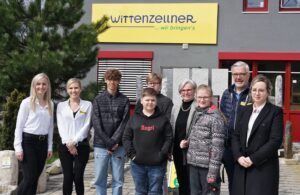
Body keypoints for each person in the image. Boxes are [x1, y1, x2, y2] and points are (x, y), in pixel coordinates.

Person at [231, 75, 283, 195]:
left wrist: (253, 159)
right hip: (242, 164)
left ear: (268, 92)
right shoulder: (244, 109)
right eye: (254, 90)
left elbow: (275, 141)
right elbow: (235, 135)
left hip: (262, 166)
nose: (257, 93)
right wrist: (238, 156)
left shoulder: (275, 112)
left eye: (261, 90)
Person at [123, 87, 173, 195]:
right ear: (142, 101)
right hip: (138, 164)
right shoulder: (134, 118)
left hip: (157, 165)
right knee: (140, 191)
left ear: (156, 101)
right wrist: (132, 155)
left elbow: (169, 138)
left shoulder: (163, 119)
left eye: (153, 100)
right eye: (147, 100)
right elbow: (126, 137)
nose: (150, 102)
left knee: (155, 192)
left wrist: (162, 154)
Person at [181, 84, 225, 195]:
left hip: (207, 167)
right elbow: (196, 134)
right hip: (194, 163)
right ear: (195, 97)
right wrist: (187, 142)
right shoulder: (197, 113)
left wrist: (213, 173)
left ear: (210, 98)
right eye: (199, 97)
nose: (202, 100)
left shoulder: (216, 118)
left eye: (205, 97)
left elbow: (217, 148)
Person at [14, 73, 54, 195]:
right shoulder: (26, 103)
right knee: (29, 178)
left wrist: (50, 146)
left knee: (35, 178)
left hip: (42, 144)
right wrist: (18, 148)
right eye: (38, 84)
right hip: (28, 143)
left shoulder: (50, 103)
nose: (41, 86)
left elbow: (51, 127)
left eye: (44, 84)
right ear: (34, 85)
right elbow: (19, 126)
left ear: (47, 86)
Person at [92, 69, 130, 195]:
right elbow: (96, 123)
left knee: (118, 179)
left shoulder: (124, 100)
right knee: (99, 179)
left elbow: (124, 123)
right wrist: (108, 142)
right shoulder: (98, 99)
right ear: (105, 80)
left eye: (115, 80)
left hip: (118, 146)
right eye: (110, 79)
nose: (112, 82)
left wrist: (114, 142)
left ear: (119, 81)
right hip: (101, 145)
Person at [56, 78, 92, 195]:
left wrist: (74, 142)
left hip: (82, 146)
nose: (73, 90)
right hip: (65, 146)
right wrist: (68, 143)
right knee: (67, 177)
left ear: (80, 89)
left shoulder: (87, 105)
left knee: (78, 177)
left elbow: (87, 125)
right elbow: (61, 126)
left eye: (76, 87)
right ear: (67, 90)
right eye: (70, 88)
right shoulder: (61, 106)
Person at [220, 61, 250, 193]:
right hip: (228, 145)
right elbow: (222, 117)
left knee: (247, 180)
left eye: (242, 74)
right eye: (235, 74)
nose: (238, 77)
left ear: (248, 75)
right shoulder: (227, 93)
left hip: (246, 146)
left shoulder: (253, 93)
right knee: (232, 180)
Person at [170, 79, 197, 195]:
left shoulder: (198, 108)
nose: (186, 92)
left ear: (194, 91)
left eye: (189, 90)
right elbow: (171, 128)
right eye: (183, 90)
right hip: (177, 151)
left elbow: (199, 129)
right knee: (182, 180)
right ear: (180, 92)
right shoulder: (175, 108)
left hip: (192, 151)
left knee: (192, 182)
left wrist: (189, 141)